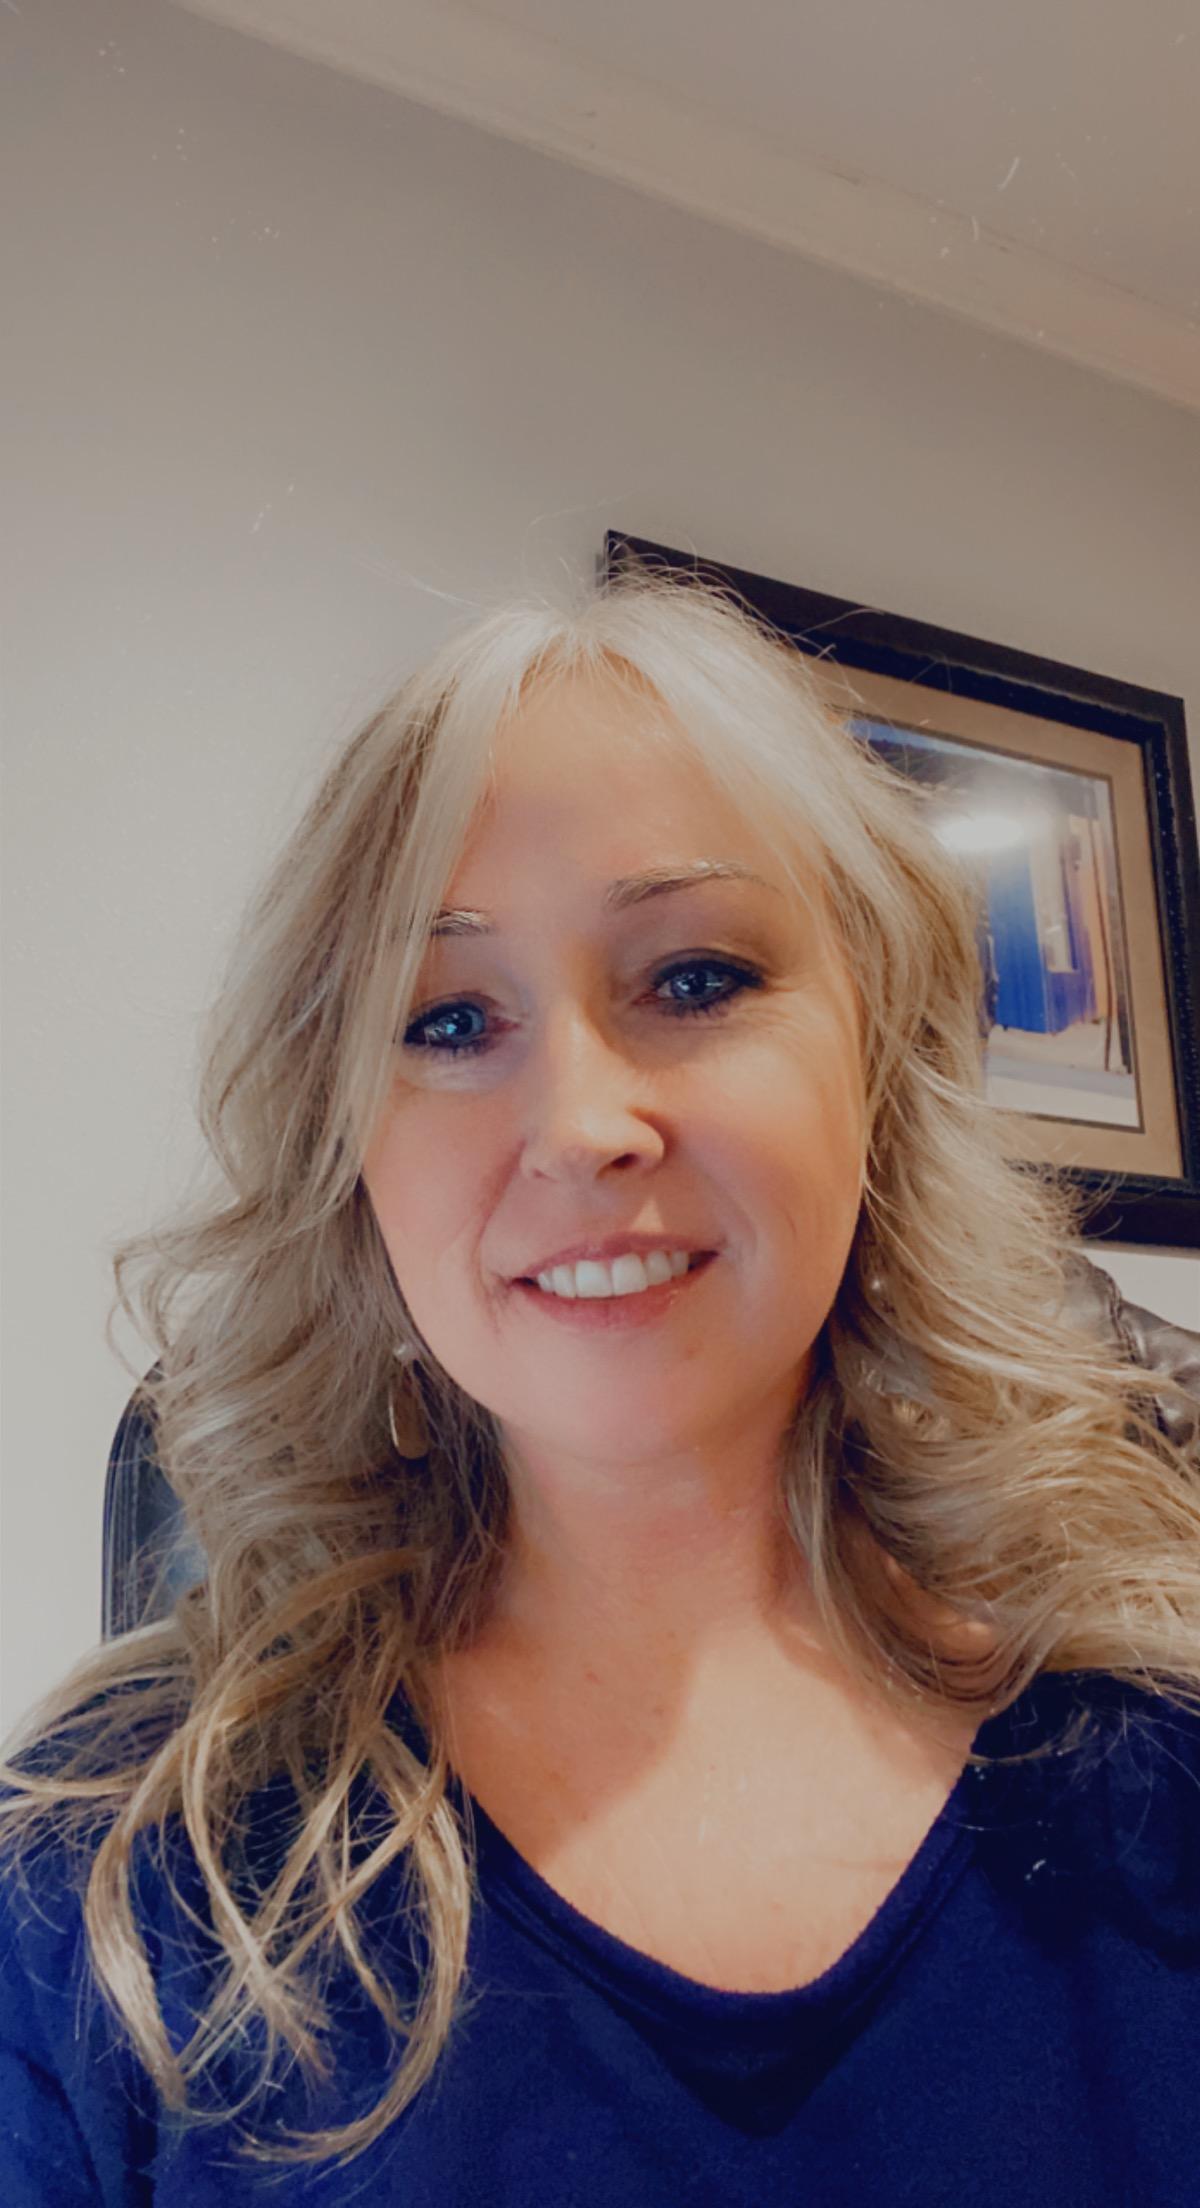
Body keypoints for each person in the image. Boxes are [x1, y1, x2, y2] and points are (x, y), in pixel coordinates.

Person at [1, 565, 1199, 2206]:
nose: (579, 1126)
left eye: (693, 979)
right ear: (346, 1151)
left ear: (875, 1058)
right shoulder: (104, 1877)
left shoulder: (1164, 1763)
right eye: (447, 1018)